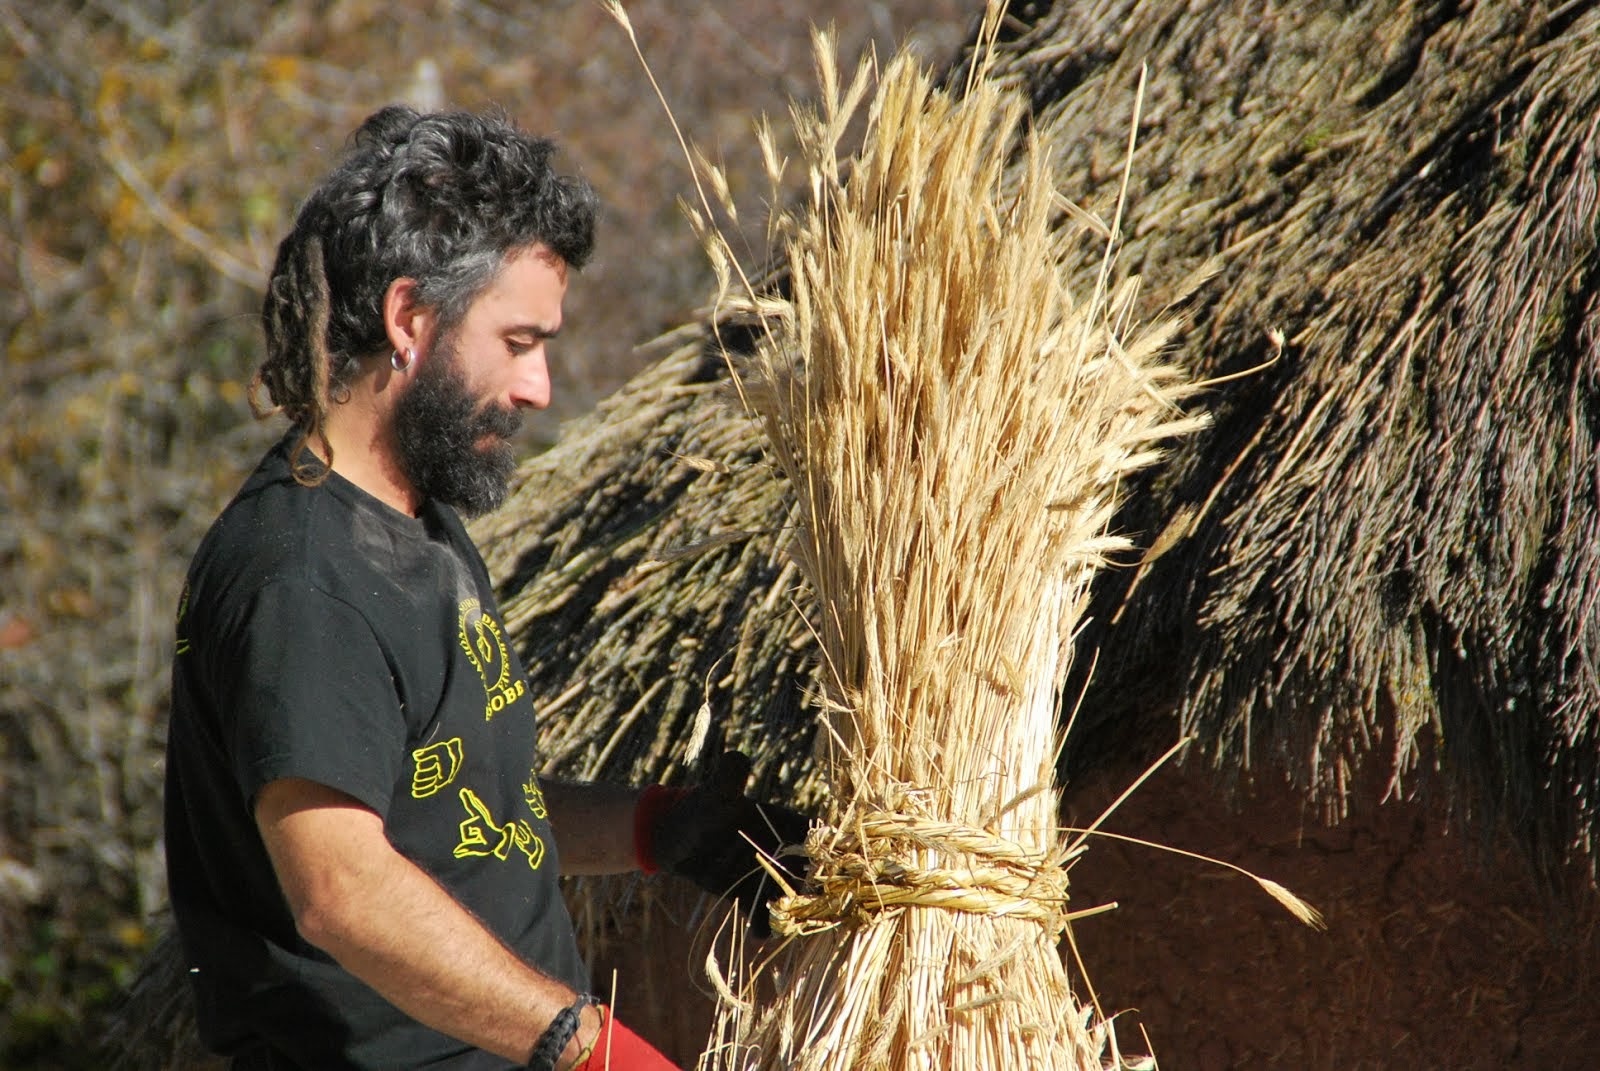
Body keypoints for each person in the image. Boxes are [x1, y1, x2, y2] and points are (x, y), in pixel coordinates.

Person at [163, 105, 806, 1071]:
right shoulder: (303, 580)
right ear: (409, 319)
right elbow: (341, 888)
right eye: (518, 340)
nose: (542, 385)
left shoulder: (417, 525)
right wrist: (587, 1047)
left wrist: (654, 827)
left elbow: (461, 815)